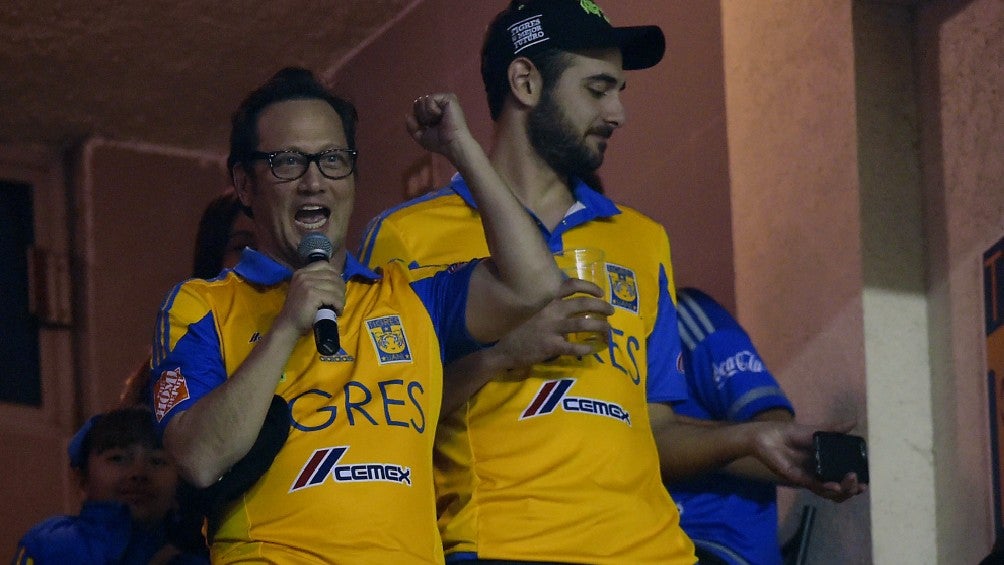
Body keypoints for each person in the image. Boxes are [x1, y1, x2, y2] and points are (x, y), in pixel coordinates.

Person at [358, 2, 863, 563]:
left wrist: (749, 439)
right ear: (525, 82)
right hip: (505, 545)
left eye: (619, 90)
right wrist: (504, 355)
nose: (618, 112)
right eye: (598, 89)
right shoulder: (407, 234)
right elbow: (385, 420)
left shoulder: (643, 239)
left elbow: (655, 426)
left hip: (656, 551)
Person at [149, 67, 579, 563]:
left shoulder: (410, 296)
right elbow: (198, 459)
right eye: (288, 162)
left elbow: (536, 283)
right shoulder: (201, 304)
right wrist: (288, 325)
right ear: (245, 185)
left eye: (333, 160)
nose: (314, 182)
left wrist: (463, 149)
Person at [670, 287, 797, 565]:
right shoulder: (576, 331)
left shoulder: (688, 318)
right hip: (626, 535)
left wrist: (677, 444)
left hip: (714, 542)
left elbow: (786, 447)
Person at [12, 407, 208, 565]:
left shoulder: (196, 556)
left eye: (157, 461)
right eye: (118, 458)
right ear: (82, 478)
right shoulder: (52, 545)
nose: (138, 473)